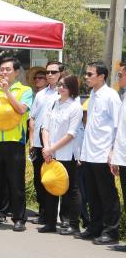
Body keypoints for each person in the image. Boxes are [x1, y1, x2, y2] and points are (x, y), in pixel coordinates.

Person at [0, 57, 33, 231]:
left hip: (14, 141)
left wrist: (7, 92)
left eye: (8, 69)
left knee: (15, 182)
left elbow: (21, 110)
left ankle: (19, 218)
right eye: (2, 69)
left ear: (16, 72)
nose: (3, 72)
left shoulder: (25, 90)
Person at [78, 61, 121, 244]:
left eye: (90, 74)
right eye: (86, 74)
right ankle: (95, 227)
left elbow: (118, 126)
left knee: (107, 194)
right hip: (89, 153)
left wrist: (113, 151)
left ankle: (111, 231)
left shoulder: (111, 96)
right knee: (93, 193)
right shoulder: (93, 95)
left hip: (103, 153)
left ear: (102, 76)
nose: (86, 78)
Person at [40, 75, 82, 234]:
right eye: (59, 85)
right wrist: (47, 148)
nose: (61, 87)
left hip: (67, 154)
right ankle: (50, 223)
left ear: (72, 88)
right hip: (51, 153)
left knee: (71, 190)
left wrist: (52, 149)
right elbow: (45, 127)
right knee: (51, 185)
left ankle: (73, 224)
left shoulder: (75, 107)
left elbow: (71, 134)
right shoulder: (53, 103)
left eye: (65, 85)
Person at [28, 62, 61, 226]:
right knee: (40, 178)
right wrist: (32, 141)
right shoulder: (40, 95)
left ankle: (61, 216)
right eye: (47, 72)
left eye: (53, 72)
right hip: (39, 143)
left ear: (61, 73)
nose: (49, 75)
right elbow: (32, 118)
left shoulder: (64, 93)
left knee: (57, 179)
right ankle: (44, 213)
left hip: (58, 144)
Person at [110, 61, 126, 209]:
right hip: (122, 159)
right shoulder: (124, 96)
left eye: (120, 75)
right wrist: (116, 157)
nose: (118, 78)